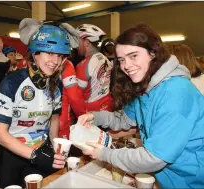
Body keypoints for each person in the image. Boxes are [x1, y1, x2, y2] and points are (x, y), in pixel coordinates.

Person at [77, 24, 204, 188]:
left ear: (153, 53)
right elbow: (123, 119)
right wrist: (95, 116)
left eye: (133, 56)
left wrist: (104, 153)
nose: (126, 66)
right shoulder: (147, 86)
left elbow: (154, 158)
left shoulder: (175, 92)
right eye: (121, 60)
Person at [0, 22, 70, 188]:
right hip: (13, 151)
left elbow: (54, 119)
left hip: (41, 149)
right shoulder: (12, 82)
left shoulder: (56, 84)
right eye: (50, 53)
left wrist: (56, 147)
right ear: (35, 53)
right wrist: (34, 155)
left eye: (60, 56)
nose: (55, 61)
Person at [75, 24, 113, 112]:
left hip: (91, 111)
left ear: (86, 42)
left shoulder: (83, 65)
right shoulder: (105, 59)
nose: (76, 45)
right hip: (108, 106)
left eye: (78, 40)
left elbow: (77, 95)